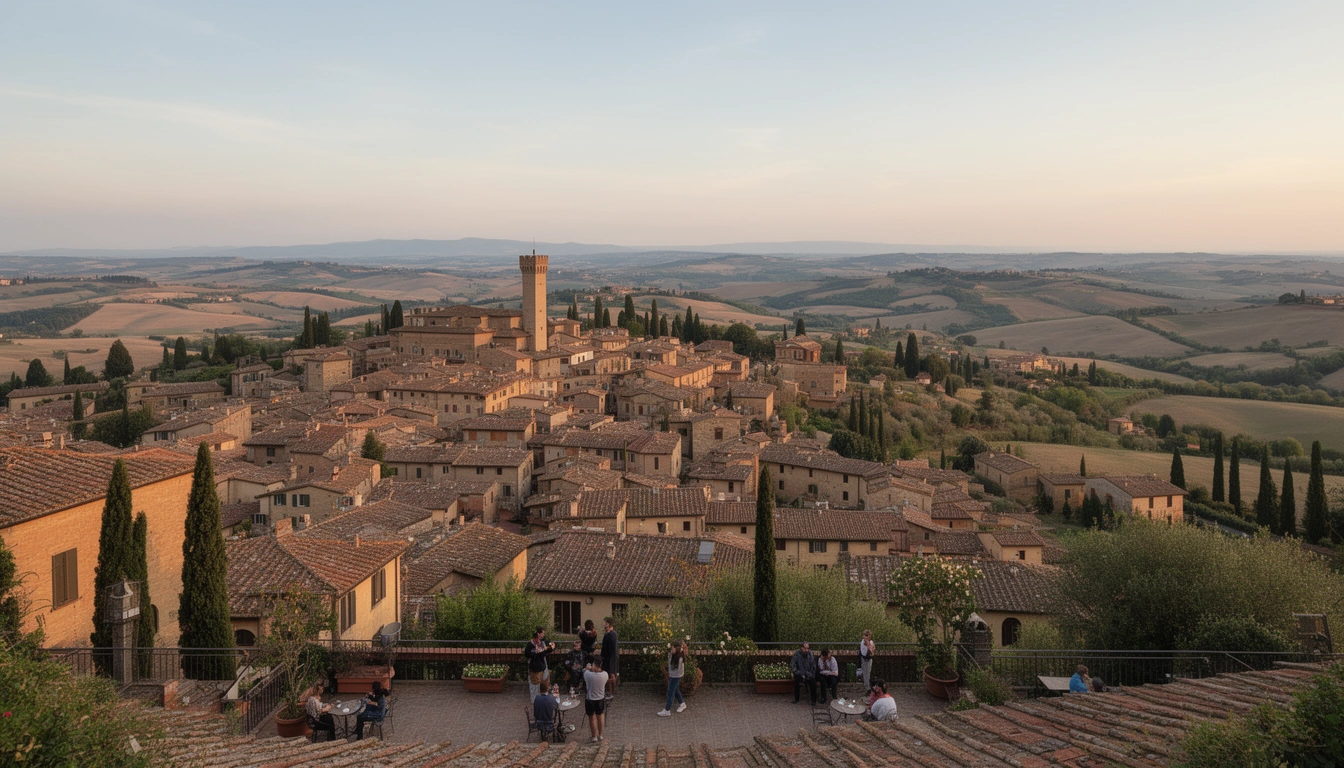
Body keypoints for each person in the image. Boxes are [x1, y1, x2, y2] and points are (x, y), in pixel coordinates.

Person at [658, 640, 688, 716]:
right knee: (675, 689)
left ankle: (667, 710)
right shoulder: (675, 654)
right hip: (674, 675)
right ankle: (682, 703)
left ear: (677, 649)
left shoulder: (679, 658)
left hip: (676, 676)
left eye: (673, 649)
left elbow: (675, 669)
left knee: (670, 692)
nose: (672, 650)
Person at [524, 627, 556, 700]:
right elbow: (527, 654)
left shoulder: (541, 644)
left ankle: (543, 696)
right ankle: (534, 699)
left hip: (541, 667)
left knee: (544, 680)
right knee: (534, 685)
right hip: (534, 669)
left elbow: (545, 652)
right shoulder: (530, 646)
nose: (539, 641)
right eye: (537, 639)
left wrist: (551, 648)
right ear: (534, 639)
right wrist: (536, 652)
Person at [583, 658, 609, 743]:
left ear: (594, 665)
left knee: (591, 717)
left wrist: (589, 668)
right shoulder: (605, 675)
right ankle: (600, 735)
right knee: (600, 715)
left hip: (590, 699)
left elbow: (585, 671)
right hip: (600, 698)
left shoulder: (587, 674)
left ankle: (594, 736)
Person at [600, 617, 619, 699]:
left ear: (610, 625)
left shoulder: (611, 634)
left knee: (611, 674)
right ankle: (611, 691)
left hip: (610, 657)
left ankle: (611, 692)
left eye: (606, 624)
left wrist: (605, 656)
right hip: (610, 657)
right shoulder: (611, 634)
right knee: (611, 673)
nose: (604, 625)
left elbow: (610, 648)